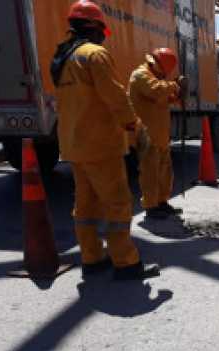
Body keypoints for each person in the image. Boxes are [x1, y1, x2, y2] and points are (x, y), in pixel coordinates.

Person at [51, 0, 159, 280]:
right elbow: (114, 96)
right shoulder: (94, 55)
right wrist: (134, 128)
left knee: (85, 205)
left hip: (74, 144)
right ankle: (125, 262)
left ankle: (92, 257)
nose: (102, 36)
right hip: (100, 144)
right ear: (94, 27)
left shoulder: (63, 57)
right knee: (118, 203)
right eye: (101, 30)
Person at [129, 48, 186, 219]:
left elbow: (163, 98)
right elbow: (155, 90)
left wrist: (178, 95)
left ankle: (162, 202)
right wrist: (175, 84)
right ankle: (151, 206)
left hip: (160, 134)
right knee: (150, 173)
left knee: (165, 171)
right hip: (147, 135)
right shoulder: (140, 75)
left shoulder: (154, 77)